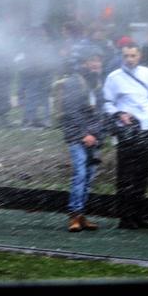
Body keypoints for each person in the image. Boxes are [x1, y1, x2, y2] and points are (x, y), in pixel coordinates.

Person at [103, 44, 148, 229]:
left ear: (139, 56)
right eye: (126, 55)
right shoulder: (114, 77)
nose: (129, 59)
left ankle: (139, 214)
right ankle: (125, 216)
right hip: (128, 130)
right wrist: (119, 113)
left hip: (146, 127)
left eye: (133, 55)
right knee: (126, 175)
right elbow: (107, 102)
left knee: (142, 174)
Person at [59, 47, 106, 232]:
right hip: (77, 136)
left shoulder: (98, 82)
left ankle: (81, 213)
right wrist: (84, 134)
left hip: (94, 137)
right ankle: (74, 214)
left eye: (98, 60)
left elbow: (101, 111)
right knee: (80, 174)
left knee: (89, 177)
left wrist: (95, 133)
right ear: (85, 63)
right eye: (92, 60)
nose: (96, 64)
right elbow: (70, 112)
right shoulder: (74, 82)